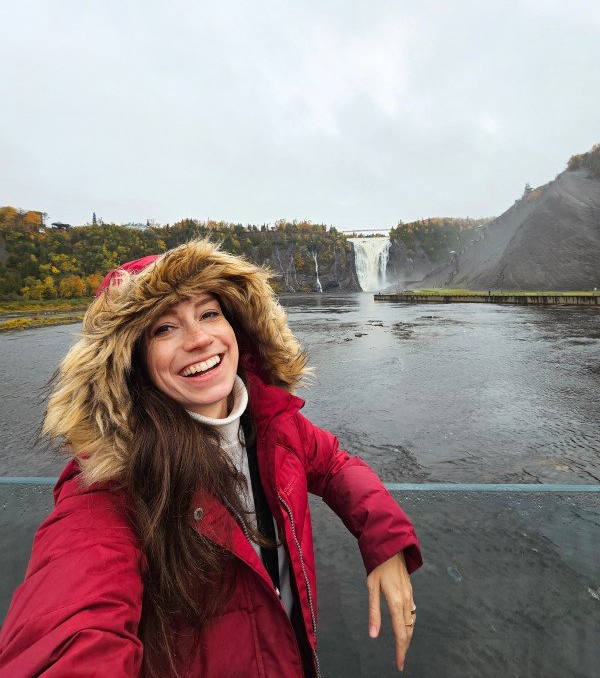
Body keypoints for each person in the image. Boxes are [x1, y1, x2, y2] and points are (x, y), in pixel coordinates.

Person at [0, 240, 422, 677]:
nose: (199, 339)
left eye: (208, 313)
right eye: (164, 328)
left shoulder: (275, 424)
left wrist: (385, 542)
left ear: (237, 326)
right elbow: (70, 623)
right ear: (134, 361)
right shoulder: (115, 484)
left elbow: (335, 463)